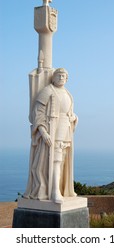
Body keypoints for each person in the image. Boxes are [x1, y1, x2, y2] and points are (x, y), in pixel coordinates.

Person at [24, 68, 78, 203]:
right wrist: (43, 132)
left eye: (64, 76)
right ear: (53, 78)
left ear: (67, 79)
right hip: (53, 128)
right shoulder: (48, 90)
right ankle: (54, 191)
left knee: (62, 160)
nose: (61, 77)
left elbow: (69, 112)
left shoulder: (68, 93)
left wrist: (74, 118)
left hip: (66, 128)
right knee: (56, 159)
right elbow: (38, 113)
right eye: (58, 75)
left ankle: (59, 188)